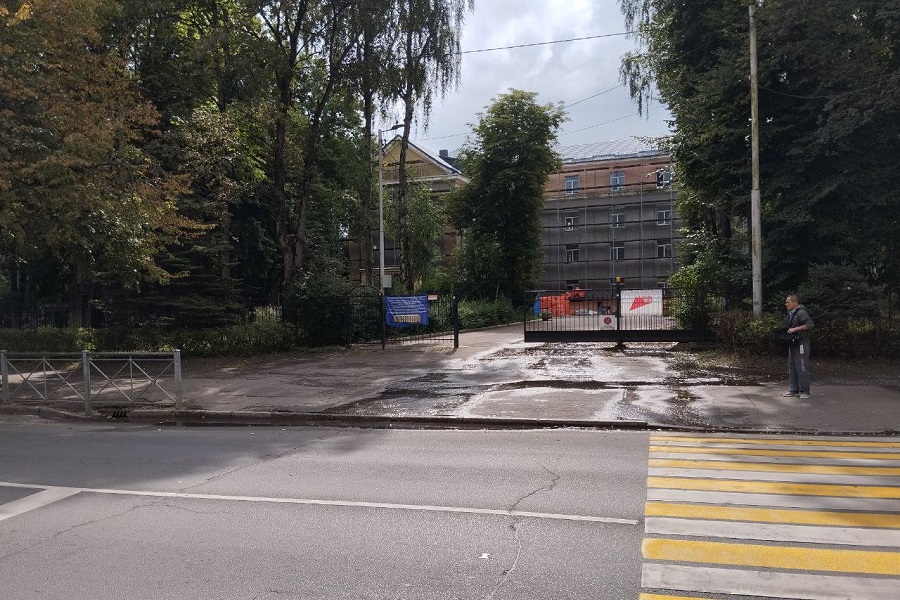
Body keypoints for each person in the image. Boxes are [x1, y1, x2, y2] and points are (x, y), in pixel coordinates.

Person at [783, 294, 814, 399]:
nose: (786, 304)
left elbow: (810, 324)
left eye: (788, 302)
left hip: (802, 343)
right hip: (793, 343)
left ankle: (805, 391)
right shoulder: (791, 314)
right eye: (786, 302)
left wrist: (795, 329)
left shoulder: (801, 313)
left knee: (802, 366)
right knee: (792, 366)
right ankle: (793, 389)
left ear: (795, 303)